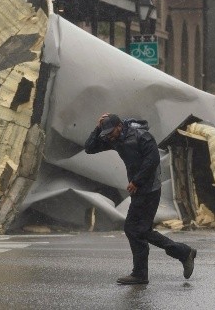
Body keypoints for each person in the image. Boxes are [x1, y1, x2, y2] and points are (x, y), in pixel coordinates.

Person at [84, 113, 197, 285]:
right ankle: (149, 269)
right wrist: (98, 128)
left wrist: (136, 181)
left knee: (138, 230)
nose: (109, 136)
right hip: (139, 189)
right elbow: (89, 148)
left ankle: (177, 255)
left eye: (110, 132)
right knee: (136, 230)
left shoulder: (142, 136)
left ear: (119, 126)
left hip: (150, 188)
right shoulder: (114, 138)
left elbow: (152, 160)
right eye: (106, 133)